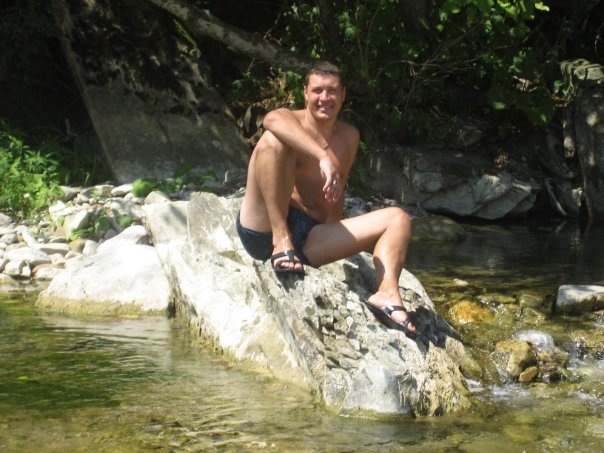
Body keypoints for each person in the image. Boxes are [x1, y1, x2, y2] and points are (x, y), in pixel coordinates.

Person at [236, 60, 416, 336]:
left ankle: (387, 293)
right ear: (305, 92)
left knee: (399, 219)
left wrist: (338, 237)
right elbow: (272, 119)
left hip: (310, 238)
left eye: (332, 91)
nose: (324, 98)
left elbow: (335, 202)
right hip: (264, 228)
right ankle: (281, 240)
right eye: (317, 90)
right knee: (273, 141)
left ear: (343, 95)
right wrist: (322, 156)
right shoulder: (289, 119)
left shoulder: (349, 136)